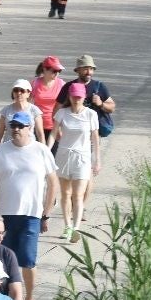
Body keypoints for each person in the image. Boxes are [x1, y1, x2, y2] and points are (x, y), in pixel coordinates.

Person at [0, 112, 59, 300]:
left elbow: (53, 183)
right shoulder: (1, 151)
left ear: (30, 128)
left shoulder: (41, 151)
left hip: (31, 215)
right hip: (5, 215)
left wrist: (46, 212)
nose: (15, 129)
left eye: (20, 126)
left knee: (27, 260)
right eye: (12, 125)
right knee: (3, 261)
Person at [56, 54, 115, 202]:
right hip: (69, 136)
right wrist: (58, 130)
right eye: (85, 69)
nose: (88, 72)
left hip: (90, 136)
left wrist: (101, 103)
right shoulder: (69, 87)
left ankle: (80, 206)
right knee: (68, 173)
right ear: (78, 70)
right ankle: (72, 204)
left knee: (86, 173)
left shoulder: (99, 87)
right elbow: (56, 109)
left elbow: (112, 107)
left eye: (91, 69)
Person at [53, 83, 101, 244]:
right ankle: (67, 226)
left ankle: (76, 228)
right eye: (73, 96)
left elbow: (95, 138)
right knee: (65, 194)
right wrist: (46, 151)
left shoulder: (91, 115)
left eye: (79, 97)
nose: (76, 99)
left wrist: (97, 160)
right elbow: (53, 134)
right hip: (64, 156)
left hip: (82, 158)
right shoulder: (62, 113)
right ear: (69, 97)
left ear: (84, 97)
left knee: (78, 195)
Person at [0, 79, 46, 145]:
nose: (19, 93)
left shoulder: (34, 110)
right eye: (16, 90)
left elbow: (40, 134)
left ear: (28, 93)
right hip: (9, 149)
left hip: (29, 149)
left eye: (22, 90)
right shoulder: (6, 110)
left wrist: (44, 151)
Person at [31, 57, 66, 144]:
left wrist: (61, 128)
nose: (57, 73)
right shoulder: (35, 84)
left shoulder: (62, 84)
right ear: (44, 69)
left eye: (59, 71)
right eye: (54, 71)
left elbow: (66, 106)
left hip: (55, 127)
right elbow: (26, 104)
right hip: (37, 126)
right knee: (37, 156)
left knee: (52, 156)